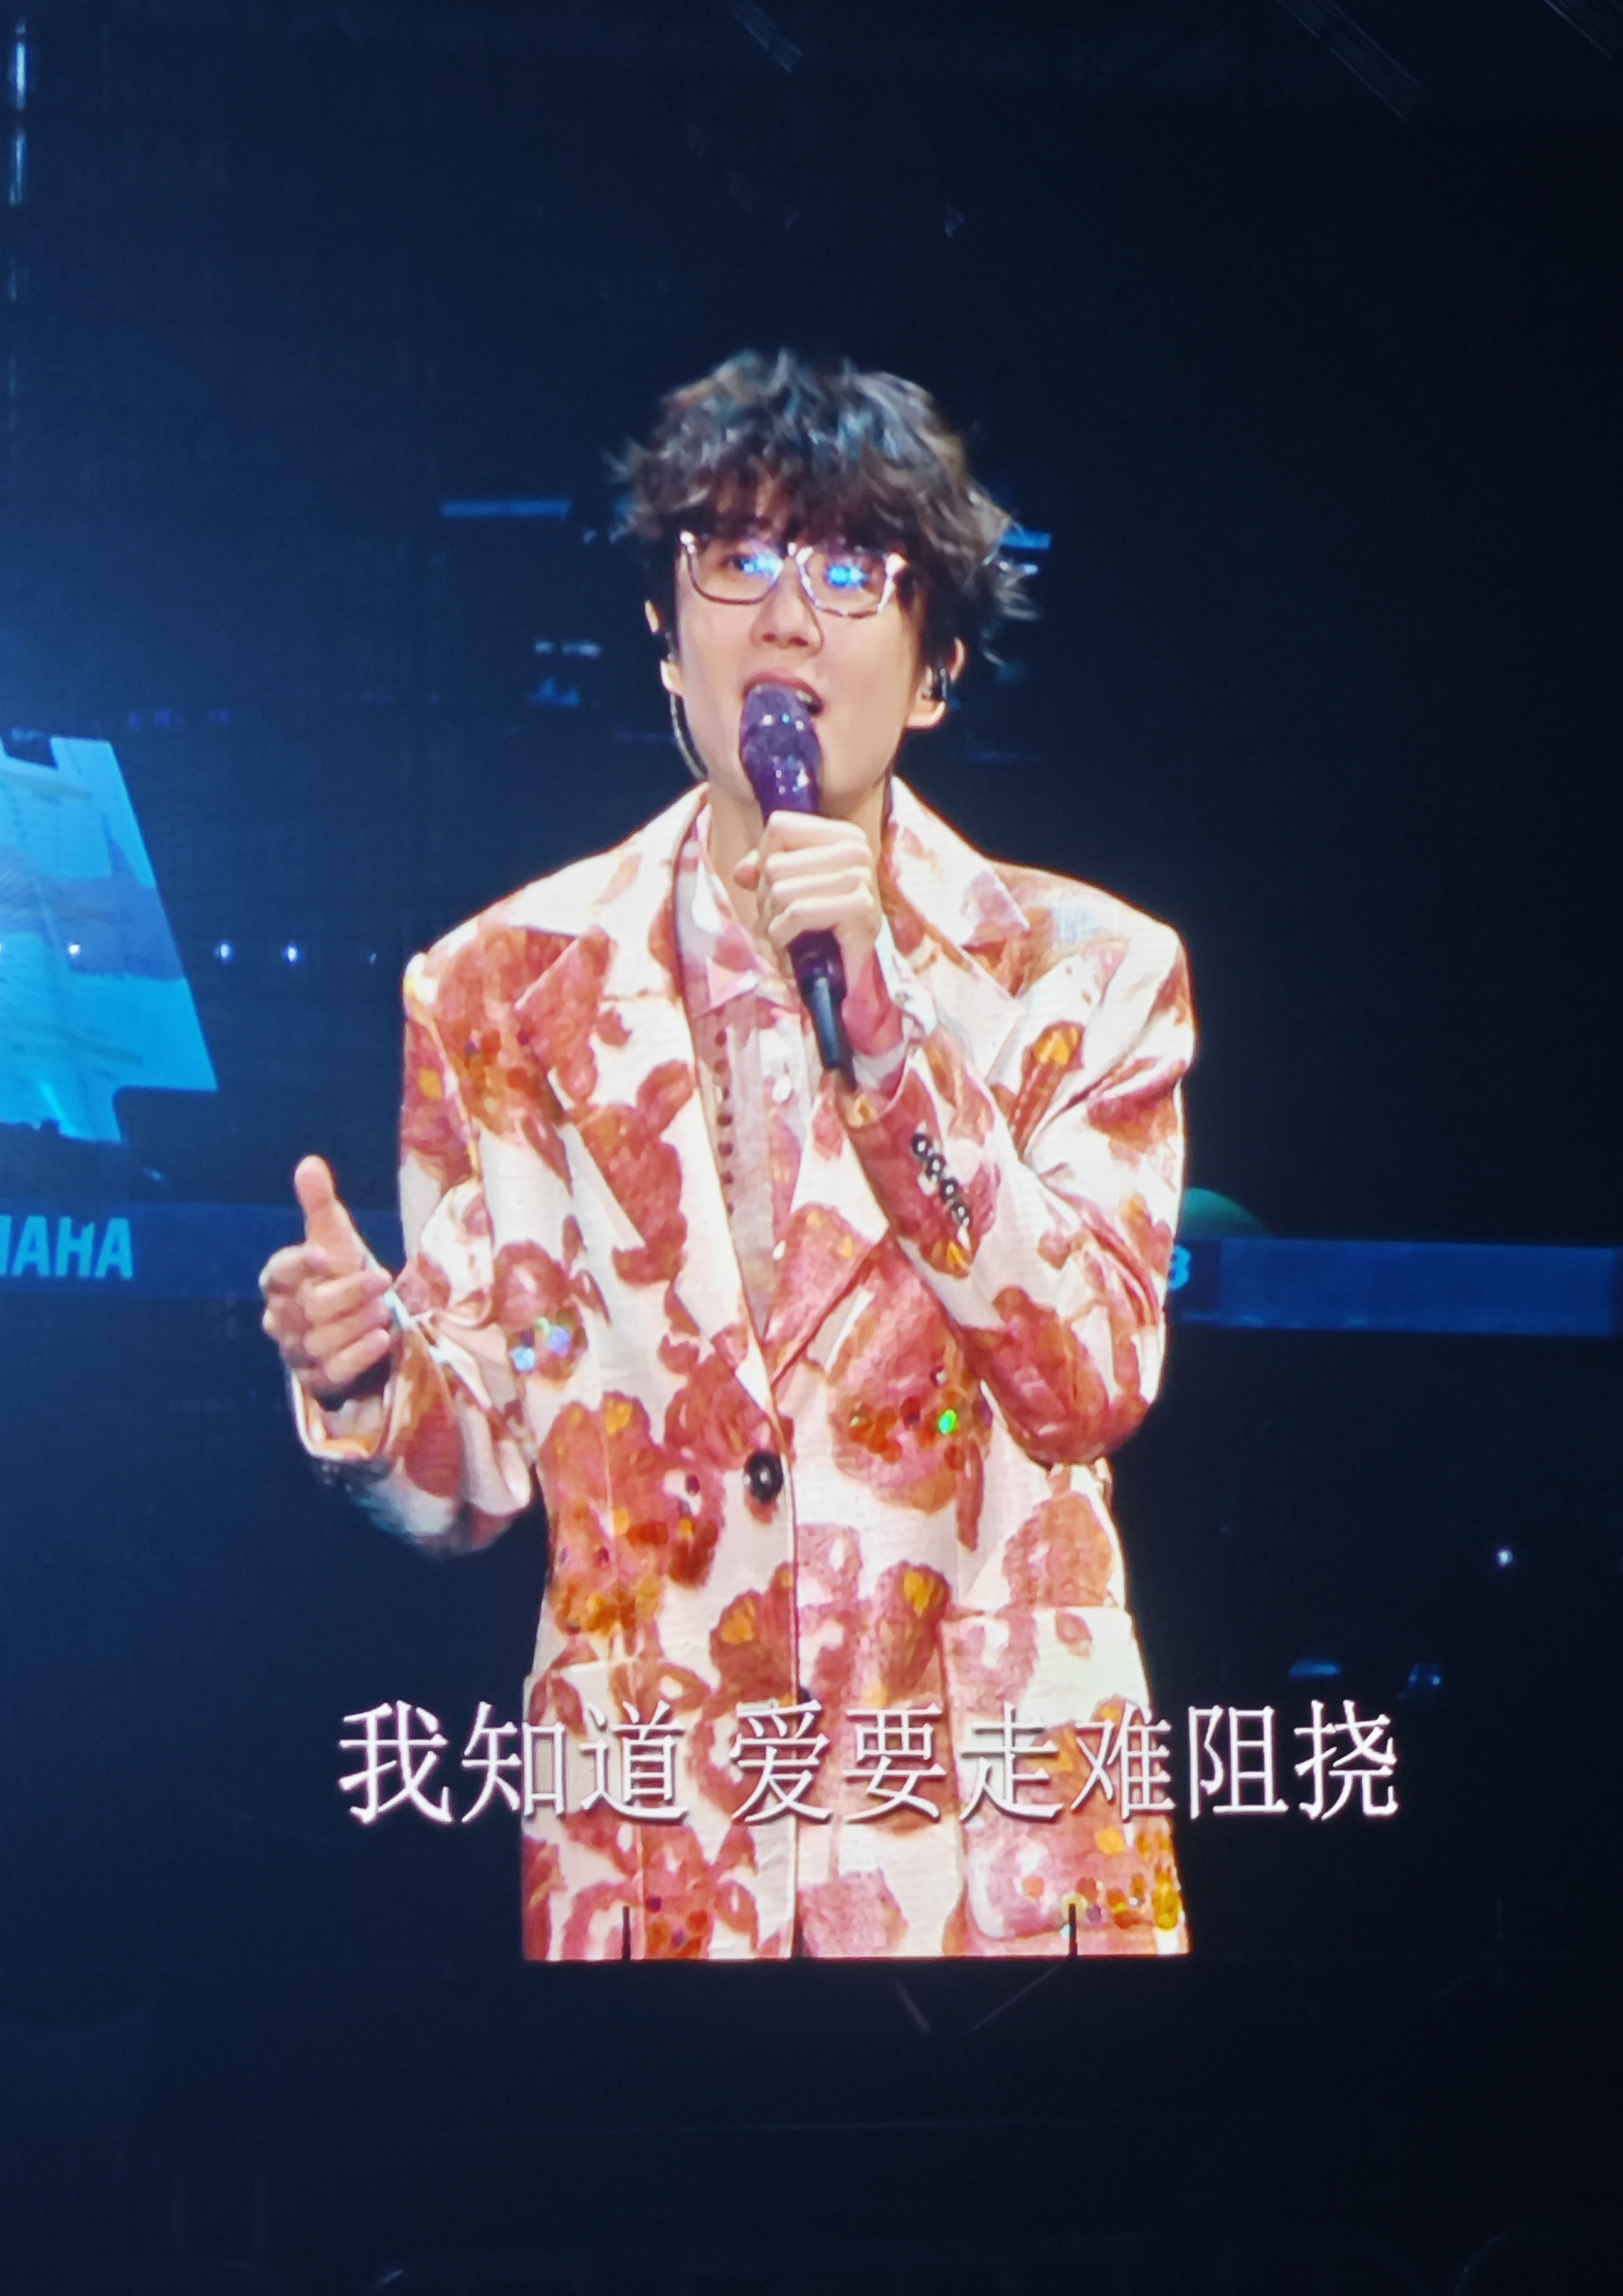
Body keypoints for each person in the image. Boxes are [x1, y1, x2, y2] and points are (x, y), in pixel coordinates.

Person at [260, 350, 1193, 1962]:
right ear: (664, 636)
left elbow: (1088, 1378)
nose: (786, 616)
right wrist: (369, 1380)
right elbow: (473, 1479)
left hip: (994, 1871)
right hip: (658, 1866)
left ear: (936, 668)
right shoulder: (497, 991)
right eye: (737, 556)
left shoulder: (1085, 978)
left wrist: (892, 1053)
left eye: (852, 566)